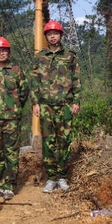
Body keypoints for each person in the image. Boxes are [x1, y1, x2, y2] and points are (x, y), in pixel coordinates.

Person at [30, 20, 82, 193]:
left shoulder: (70, 56)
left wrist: (76, 101)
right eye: (49, 34)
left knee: (64, 142)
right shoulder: (40, 57)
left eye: (55, 33)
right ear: (46, 36)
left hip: (65, 105)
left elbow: (76, 80)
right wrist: (35, 103)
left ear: (60, 35)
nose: (52, 36)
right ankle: (51, 178)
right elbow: (34, 82)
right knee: (48, 143)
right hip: (46, 106)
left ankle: (62, 177)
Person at [0, 37, 29, 200]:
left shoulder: (17, 71)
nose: (1, 53)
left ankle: (10, 185)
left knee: (11, 152)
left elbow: (24, 92)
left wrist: (15, 107)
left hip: (12, 119)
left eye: (4, 50)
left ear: (8, 52)